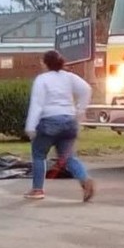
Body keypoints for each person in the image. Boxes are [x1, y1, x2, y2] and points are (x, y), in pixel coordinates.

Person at [25, 50, 95, 201]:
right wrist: (80, 110)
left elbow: (37, 104)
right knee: (68, 156)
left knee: (39, 154)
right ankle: (84, 179)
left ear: (45, 63)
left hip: (49, 121)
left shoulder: (42, 79)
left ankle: (37, 189)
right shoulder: (69, 77)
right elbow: (86, 89)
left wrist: (30, 126)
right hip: (69, 121)